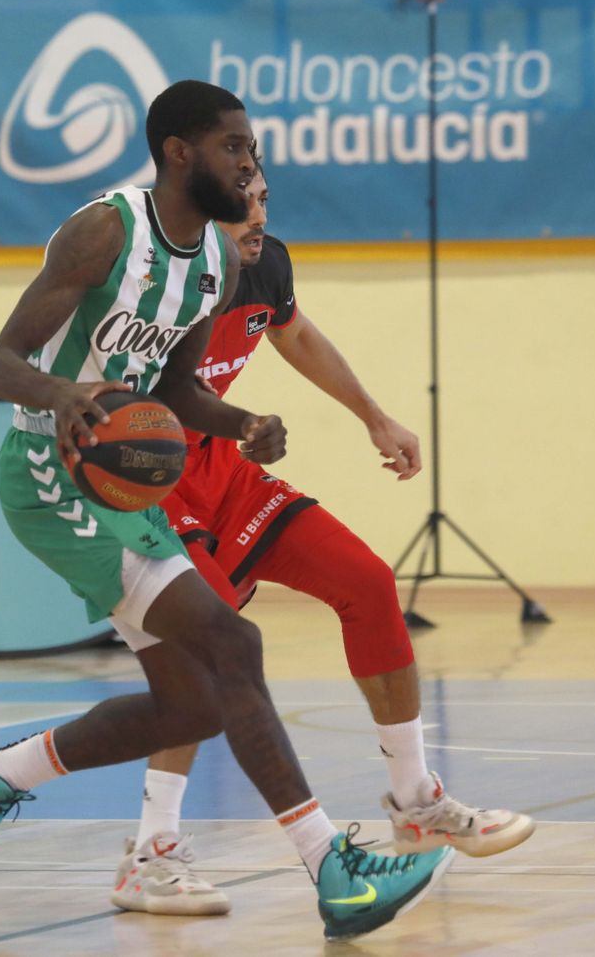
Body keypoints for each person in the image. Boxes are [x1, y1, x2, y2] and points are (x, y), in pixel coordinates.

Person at [0, 80, 452, 942]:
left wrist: (240, 422)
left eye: (252, 153)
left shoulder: (222, 262)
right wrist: (64, 394)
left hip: (123, 487)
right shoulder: (105, 232)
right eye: (235, 148)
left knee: (198, 702)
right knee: (234, 643)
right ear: (179, 151)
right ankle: (334, 870)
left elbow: (176, 390)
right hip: (52, 476)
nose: (251, 166)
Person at [109, 161, 535, 916]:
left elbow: (296, 334)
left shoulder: (266, 265)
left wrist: (373, 416)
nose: (259, 213)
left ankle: (414, 797)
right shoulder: (161, 286)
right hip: (151, 481)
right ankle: (150, 851)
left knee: (367, 582)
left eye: (264, 196)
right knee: (207, 655)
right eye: (242, 201)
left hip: (222, 470)